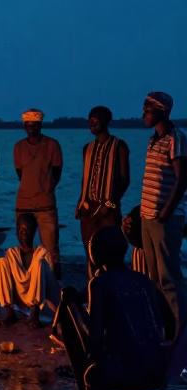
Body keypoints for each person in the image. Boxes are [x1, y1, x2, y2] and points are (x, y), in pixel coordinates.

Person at [55, 226, 169, 390]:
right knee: (123, 347)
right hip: (159, 374)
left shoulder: (100, 283)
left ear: (96, 254)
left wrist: (75, 307)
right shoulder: (144, 281)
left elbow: (93, 340)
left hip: (128, 376)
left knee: (92, 364)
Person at [139, 90, 187, 334]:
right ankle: (166, 327)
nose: (143, 114)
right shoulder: (153, 139)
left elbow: (182, 179)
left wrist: (166, 212)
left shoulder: (176, 137)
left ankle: (181, 332)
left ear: (162, 111)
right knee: (155, 277)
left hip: (164, 219)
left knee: (169, 278)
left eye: (148, 110)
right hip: (148, 217)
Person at [75, 106, 130, 278]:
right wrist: (81, 204)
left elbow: (124, 180)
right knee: (90, 254)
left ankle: (113, 293)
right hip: (88, 209)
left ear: (106, 121)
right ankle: (93, 292)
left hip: (108, 210)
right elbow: (86, 178)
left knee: (110, 254)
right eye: (90, 120)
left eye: (95, 119)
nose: (91, 123)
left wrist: (110, 203)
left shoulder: (119, 146)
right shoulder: (87, 148)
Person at [13, 109, 63, 277]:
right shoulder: (19, 147)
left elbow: (57, 172)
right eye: (27, 124)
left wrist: (46, 187)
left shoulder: (52, 145)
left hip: (46, 205)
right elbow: (20, 172)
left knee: (51, 249)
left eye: (34, 124)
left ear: (40, 125)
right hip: (24, 204)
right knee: (25, 246)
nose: (30, 128)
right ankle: (28, 282)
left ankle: (53, 287)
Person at [0, 211, 61, 326]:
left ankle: (35, 314)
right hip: (20, 298)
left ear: (34, 232)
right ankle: (9, 312)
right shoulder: (12, 254)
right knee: (0, 262)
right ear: (17, 232)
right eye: (21, 230)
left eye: (27, 230)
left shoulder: (42, 254)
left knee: (39, 263)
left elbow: (50, 285)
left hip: (40, 298)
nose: (24, 234)